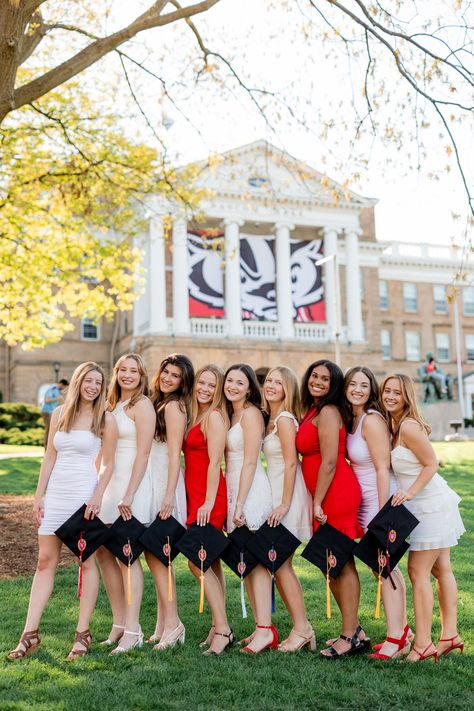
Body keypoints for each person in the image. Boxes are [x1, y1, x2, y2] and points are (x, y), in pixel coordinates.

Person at [8, 362, 117, 661]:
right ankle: (29, 634)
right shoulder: (59, 414)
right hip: (56, 495)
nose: (93, 386)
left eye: (99, 382)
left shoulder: (105, 419)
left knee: (86, 562)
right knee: (44, 561)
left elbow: (108, 464)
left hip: (83, 497)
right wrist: (38, 495)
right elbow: (49, 457)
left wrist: (96, 497)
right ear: (79, 381)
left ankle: (82, 634)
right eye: (89, 380)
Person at [381, 374, 465, 662]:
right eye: (387, 391)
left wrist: (410, 493)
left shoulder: (408, 426)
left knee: (418, 571)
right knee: (441, 570)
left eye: (397, 392)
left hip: (430, 504)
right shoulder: (394, 425)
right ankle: (450, 635)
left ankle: (423, 642)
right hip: (424, 505)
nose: (390, 396)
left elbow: (432, 463)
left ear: (407, 397)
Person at [296, 359, 366, 659]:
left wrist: (317, 500)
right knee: (332, 565)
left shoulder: (327, 411)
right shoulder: (313, 408)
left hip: (334, 493)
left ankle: (350, 636)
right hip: (324, 493)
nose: (318, 382)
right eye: (314, 376)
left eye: (325, 379)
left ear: (333, 384)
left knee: (342, 563)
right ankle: (355, 630)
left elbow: (329, 461)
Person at [344, 366, 411, 660]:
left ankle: (397, 636)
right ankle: (400, 632)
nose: (357, 389)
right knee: (379, 567)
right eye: (352, 384)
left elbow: (383, 467)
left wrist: (382, 514)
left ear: (371, 390)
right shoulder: (354, 419)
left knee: (386, 568)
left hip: (378, 500)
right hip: (364, 501)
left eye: (363, 385)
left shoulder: (371, 420)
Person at [96, 353, 155, 654]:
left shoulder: (142, 405)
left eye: (134, 371)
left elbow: (144, 453)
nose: (128, 375)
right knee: (105, 555)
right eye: (123, 370)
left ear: (142, 376)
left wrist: (130, 493)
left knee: (128, 559)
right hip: (108, 486)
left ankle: (134, 630)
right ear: (116, 372)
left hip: (131, 489)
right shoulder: (109, 406)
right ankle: (118, 624)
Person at [224, 363, 276, 654]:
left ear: (249, 388)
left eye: (239, 383)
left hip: (251, 488)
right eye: (229, 380)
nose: (232, 386)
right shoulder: (232, 413)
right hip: (235, 486)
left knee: (256, 563)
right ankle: (261, 627)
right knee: (248, 560)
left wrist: (240, 501)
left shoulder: (252, 413)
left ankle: (265, 630)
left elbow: (251, 461)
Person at [262, 366, 314, 652]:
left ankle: (303, 628)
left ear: (288, 389)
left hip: (289, 495)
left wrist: (283, 503)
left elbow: (292, 463)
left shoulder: (283, 419)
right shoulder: (270, 417)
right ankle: (301, 627)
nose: (271, 385)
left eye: (278, 383)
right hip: (279, 493)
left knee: (281, 563)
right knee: (278, 564)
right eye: (268, 380)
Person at [183, 364, 233, 656]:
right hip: (196, 496)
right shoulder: (196, 414)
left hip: (209, 497)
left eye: (211, 385)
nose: (203, 389)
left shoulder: (213, 417)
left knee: (196, 561)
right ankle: (218, 625)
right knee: (211, 562)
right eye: (201, 382)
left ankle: (224, 629)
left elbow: (216, 462)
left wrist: (209, 503)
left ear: (218, 391)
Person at [146, 354, 194, 650]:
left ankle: (174, 624)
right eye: (165, 371)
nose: (167, 378)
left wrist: (168, 495)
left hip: (165, 484)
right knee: (157, 556)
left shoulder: (175, 407)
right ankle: (163, 623)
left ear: (182, 382)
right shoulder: (158, 402)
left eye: (175, 375)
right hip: (152, 481)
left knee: (158, 555)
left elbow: (175, 453)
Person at [41, 379, 69, 447]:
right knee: (49, 431)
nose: (64, 389)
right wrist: (57, 398)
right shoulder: (53, 388)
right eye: (64, 387)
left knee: (52, 431)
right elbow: (47, 400)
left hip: (51, 412)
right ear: (61, 384)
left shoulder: (57, 390)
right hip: (47, 412)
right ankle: (46, 451)